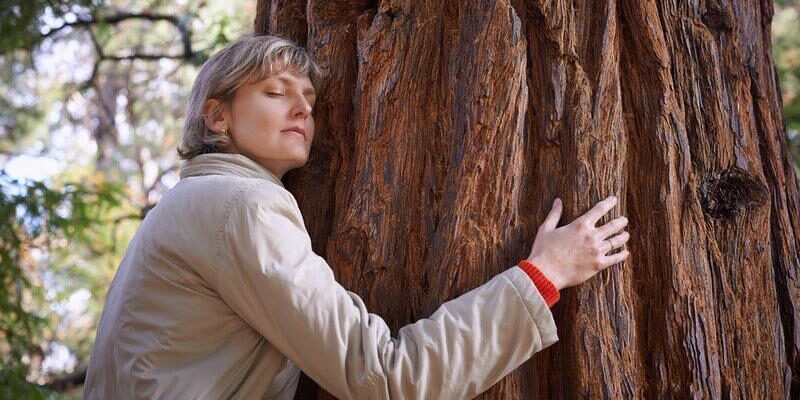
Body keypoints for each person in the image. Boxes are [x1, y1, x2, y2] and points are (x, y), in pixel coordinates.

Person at [84, 34, 630, 399]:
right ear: (218, 116)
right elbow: (384, 377)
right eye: (275, 92)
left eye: (309, 99)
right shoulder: (239, 206)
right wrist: (543, 275)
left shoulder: (187, 206)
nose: (303, 108)